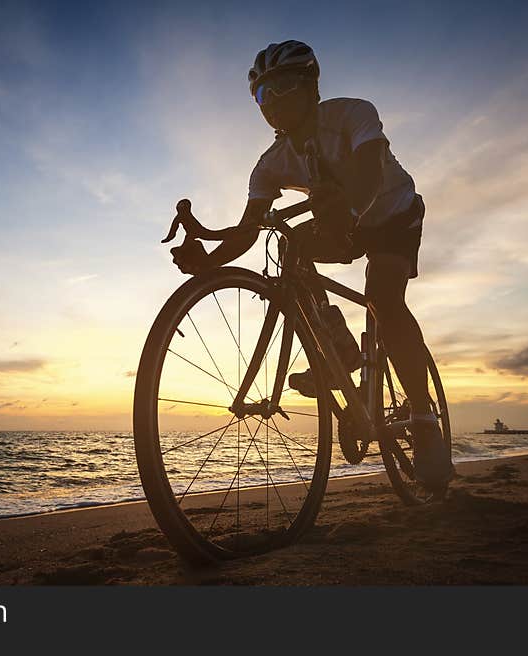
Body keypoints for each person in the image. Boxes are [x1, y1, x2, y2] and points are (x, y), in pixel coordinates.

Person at [170, 40, 453, 491]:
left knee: (382, 296)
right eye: (264, 94)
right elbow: (247, 232)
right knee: (290, 246)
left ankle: (422, 420)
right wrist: (208, 261)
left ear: (311, 86)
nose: (275, 102)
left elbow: (371, 169)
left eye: (284, 87)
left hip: (394, 214)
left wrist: (349, 210)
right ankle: (339, 350)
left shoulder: (351, 114)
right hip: (341, 220)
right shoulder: (270, 164)